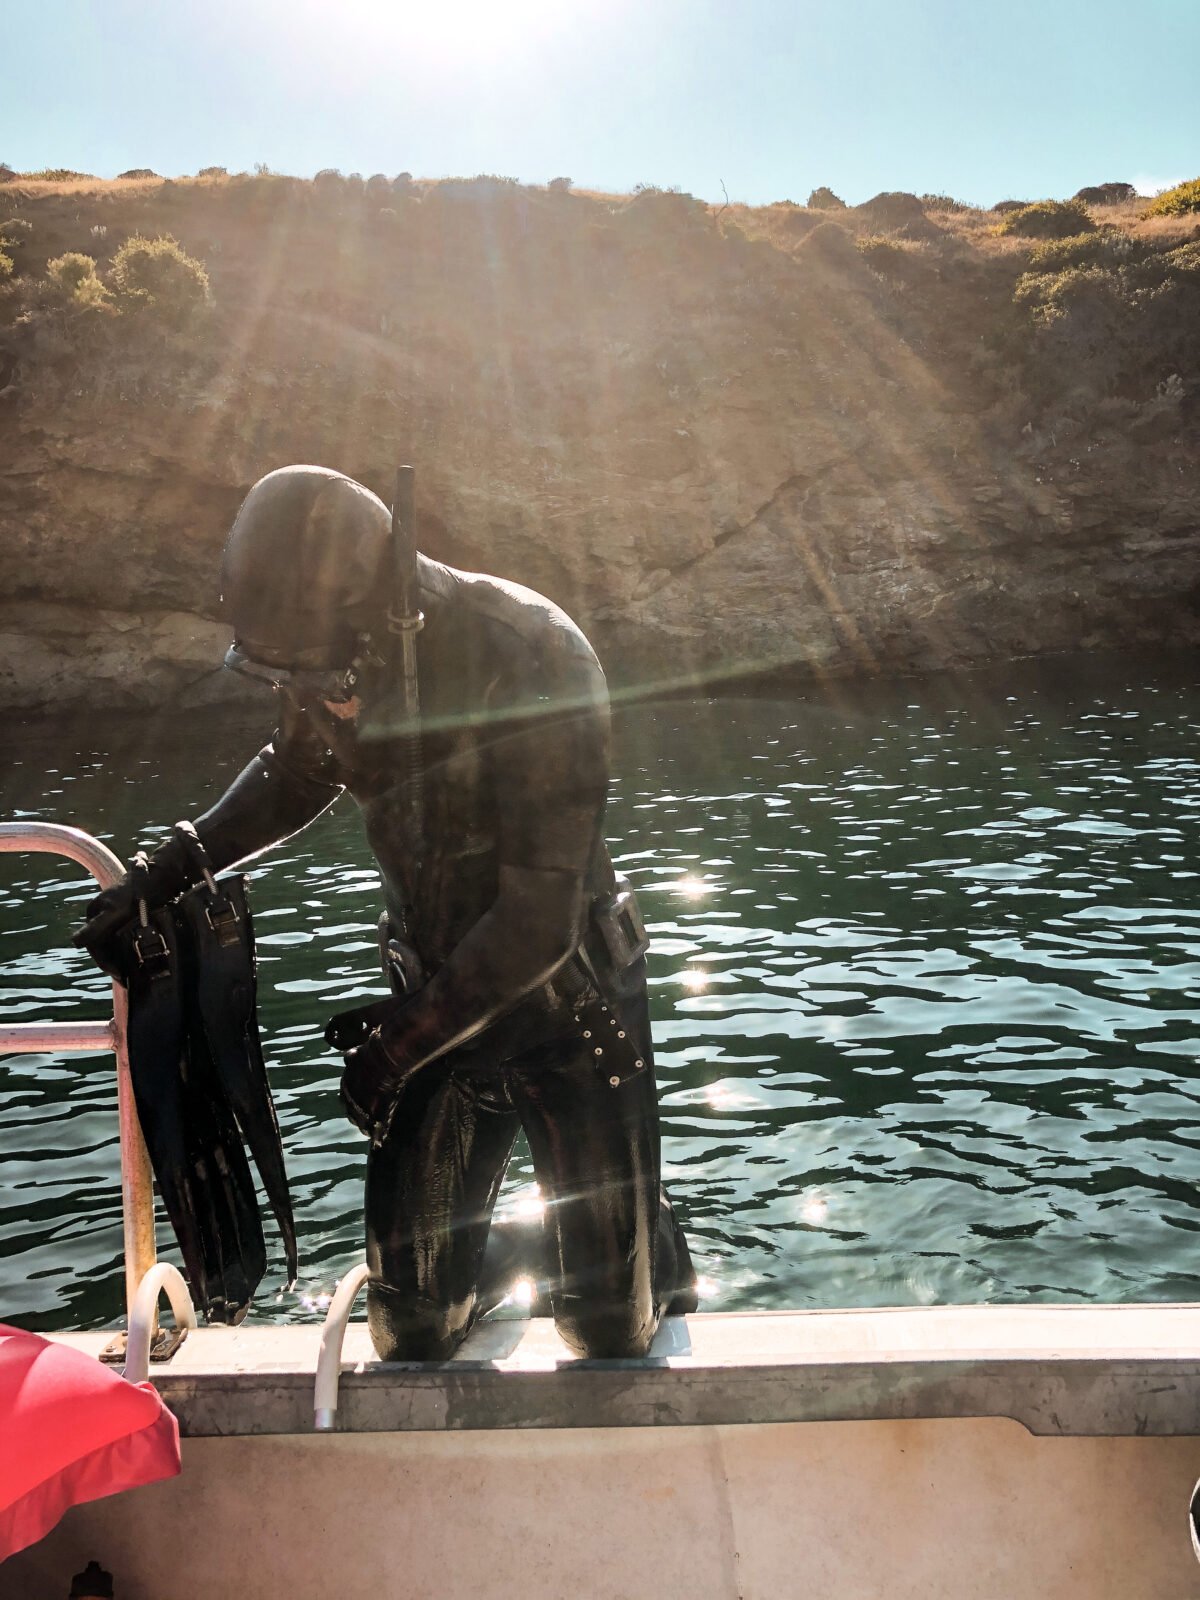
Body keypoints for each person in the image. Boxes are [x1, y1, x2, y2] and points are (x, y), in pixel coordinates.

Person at [76, 463, 696, 1360]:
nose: (318, 696)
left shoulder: (530, 652)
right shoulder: (328, 658)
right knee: (411, 1329)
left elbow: (535, 917)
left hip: (573, 1010)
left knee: (607, 1331)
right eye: (289, 677)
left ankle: (639, 1237)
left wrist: (397, 1045)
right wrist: (166, 869)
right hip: (429, 998)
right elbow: (297, 769)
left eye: (323, 673)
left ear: (386, 611)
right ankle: (533, 1244)